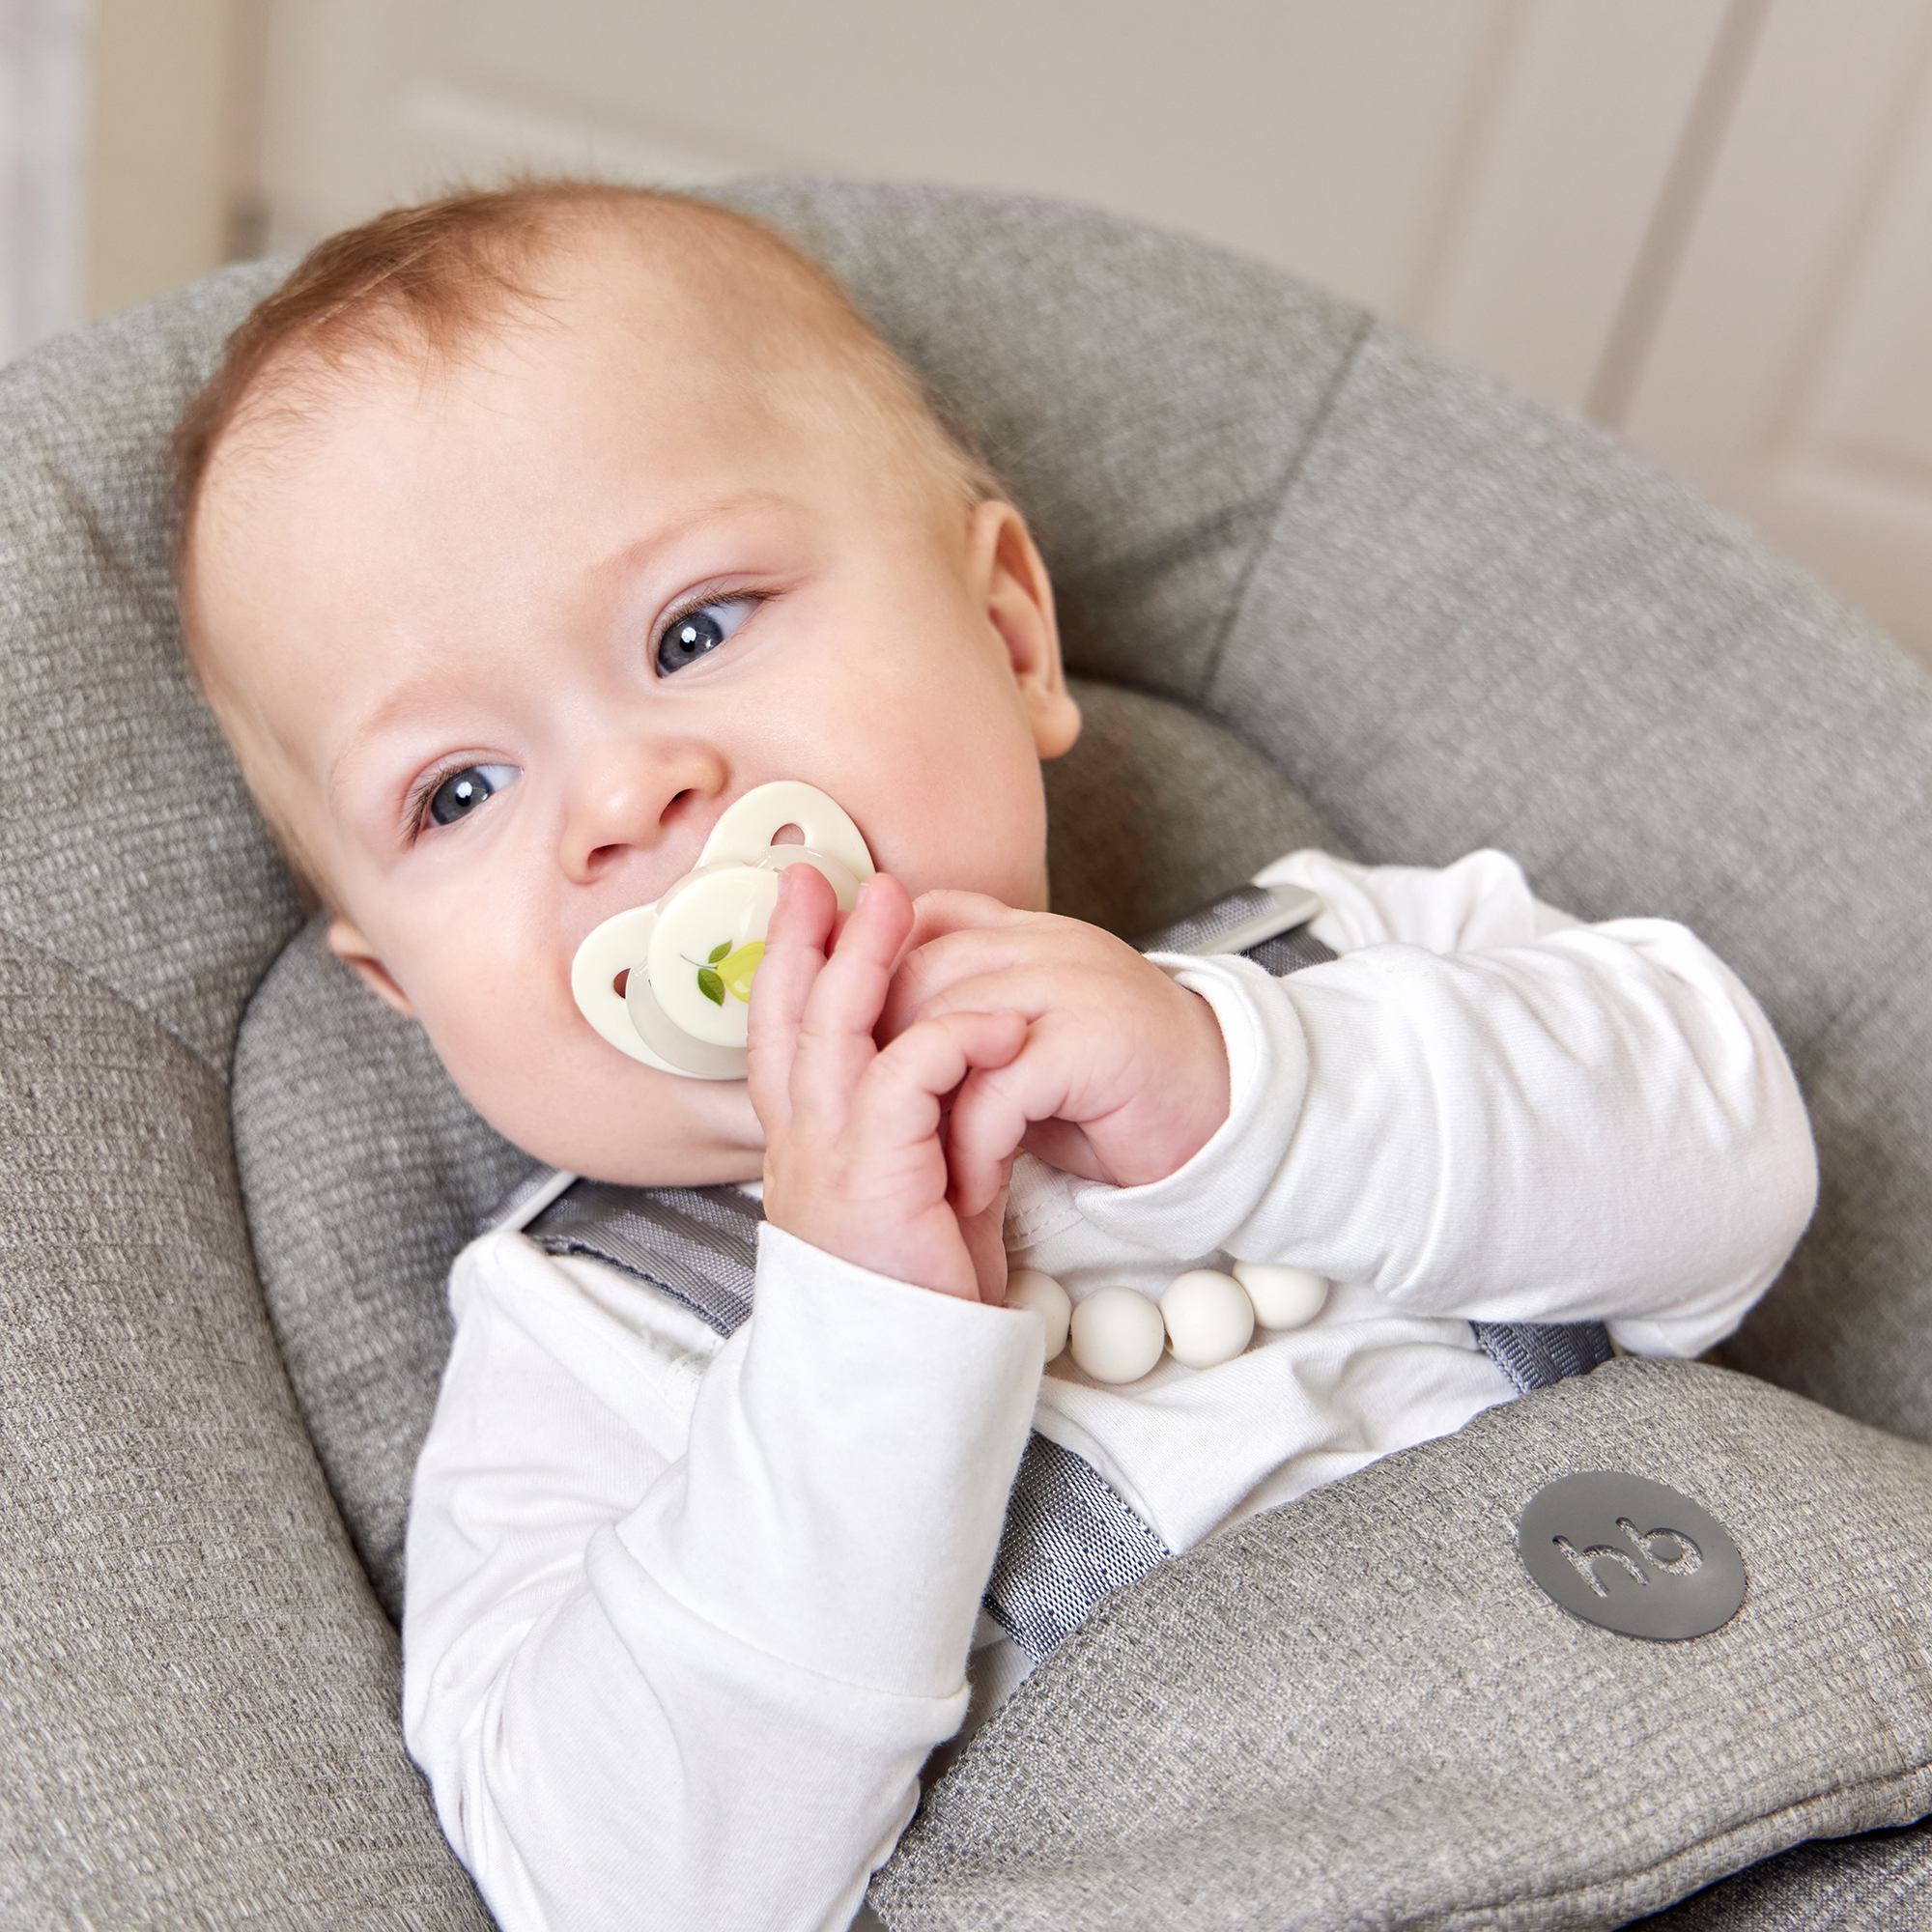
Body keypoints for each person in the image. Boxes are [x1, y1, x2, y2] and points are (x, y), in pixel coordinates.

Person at [171, 182, 1818, 1932]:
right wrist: (860, 1337)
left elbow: (1738, 1173)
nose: (624, 798)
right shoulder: (590, 1344)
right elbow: (618, 1889)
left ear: (1011, 638)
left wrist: (1247, 1094)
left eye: (695, 631)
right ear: (406, 997)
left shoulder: (1348, 962)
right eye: (461, 791)